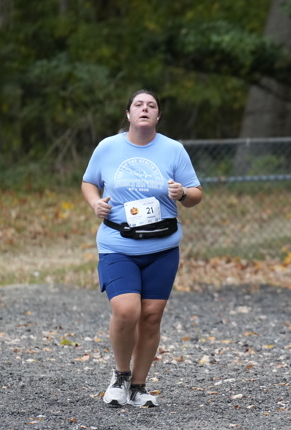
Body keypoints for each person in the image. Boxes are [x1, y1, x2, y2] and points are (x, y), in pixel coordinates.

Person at [81, 89, 203, 407]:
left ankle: (138, 386)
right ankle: (120, 376)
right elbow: (89, 182)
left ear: (158, 115)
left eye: (151, 105)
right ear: (129, 114)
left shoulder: (173, 150)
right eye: (138, 104)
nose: (145, 109)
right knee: (126, 311)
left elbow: (196, 194)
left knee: (150, 316)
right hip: (118, 245)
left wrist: (182, 193)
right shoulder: (108, 147)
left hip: (162, 247)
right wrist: (95, 204)